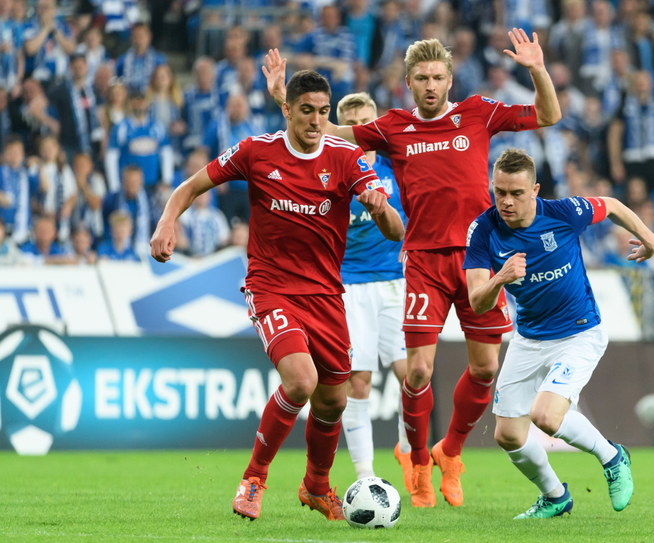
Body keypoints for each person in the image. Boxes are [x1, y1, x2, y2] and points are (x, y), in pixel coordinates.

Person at [264, 26, 561, 509]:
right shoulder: (393, 127)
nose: (429, 84)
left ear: (450, 80)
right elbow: (326, 133)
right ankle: (419, 461)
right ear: (408, 82)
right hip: (422, 261)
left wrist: (537, 69)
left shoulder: (478, 113)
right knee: (418, 371)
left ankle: (452, 454)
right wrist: (284, 102)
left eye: (437, 76)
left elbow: (549, 114)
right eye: (420, 77)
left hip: (480, 258)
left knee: (485, 368)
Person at [149, 70, 404, 522]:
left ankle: (316, 486)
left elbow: (395, 230)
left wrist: (381, 210)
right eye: (307, 111)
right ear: (286, 110)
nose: (316, 121)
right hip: (271, 289)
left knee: (334, 400)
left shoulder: (347, 158)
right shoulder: (256, 151)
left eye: (324, 112)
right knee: (301, 381)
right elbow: (191, 187)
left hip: (326, 294)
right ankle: (253, 479)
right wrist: (168, 221)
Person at [463, 148, 654, 519]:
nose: (506, 201)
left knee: (546, 416)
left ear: (534, 190)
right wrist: (500, 277)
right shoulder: (484, 230)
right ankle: (554, 496)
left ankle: (613, 457)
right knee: (508, 435)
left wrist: (649, 238)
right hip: (529, 338)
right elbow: (477, 302)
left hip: (579, 332)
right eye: (499, 191)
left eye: (516, 193)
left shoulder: (564, 213)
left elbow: (612, 205)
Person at [334, 92, 411, 487]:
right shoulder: (332, 174)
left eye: (367, 122)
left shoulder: (397, 168)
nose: (361, 131)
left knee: (412, 374)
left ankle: (408, 453)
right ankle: (365, 476)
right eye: (353, 124)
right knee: (358, 381)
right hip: (349, 286)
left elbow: (420, 210)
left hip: (396, 283)